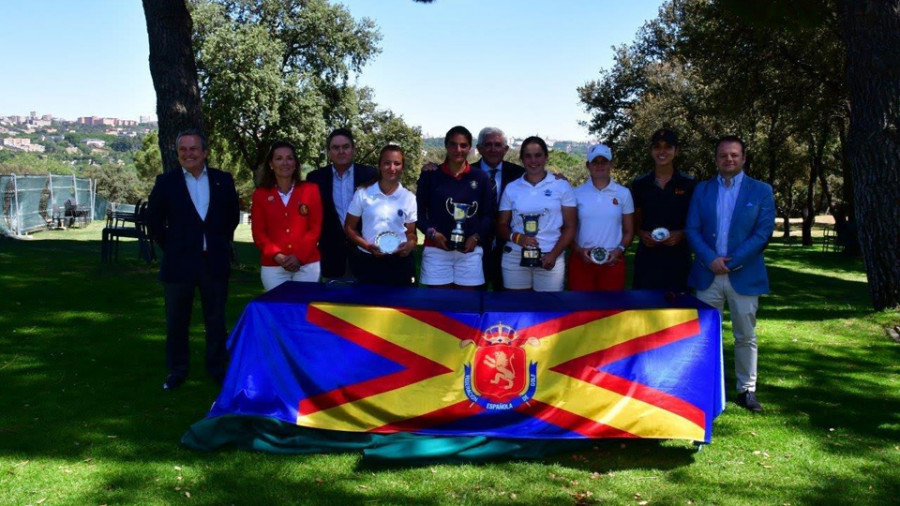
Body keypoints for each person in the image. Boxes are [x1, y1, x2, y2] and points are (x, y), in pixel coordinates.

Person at [685, 135, 775, 412]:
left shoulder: (761, 191)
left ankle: (746, 390)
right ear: (716, 159)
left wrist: (731, 262)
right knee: (706, 334)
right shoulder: (702, 189)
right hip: (707, 273)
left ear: (744, 158)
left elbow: (762, 234)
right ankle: (705, 387)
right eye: (724, 155)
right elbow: (692, 229)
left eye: (735, 155)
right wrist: (711, 259)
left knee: (745, 336)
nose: (729, 159)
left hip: (744, 275)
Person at [148, 128, 240, 390]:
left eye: (193, 149)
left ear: (205, 152)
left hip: (214, 261)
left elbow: (231, 217)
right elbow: (154, 221)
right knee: (177, 321)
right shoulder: (166, 182)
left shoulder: (223, 180)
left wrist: (219, 242)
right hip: (179, 264)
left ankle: (217, 369)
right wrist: (173, 247)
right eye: (183, 150)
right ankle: (177, 371)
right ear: (177, 154)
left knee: (216, 320)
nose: (189, 154)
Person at [416, 126, 494, 289]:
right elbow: (418, 213)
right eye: (453, 144)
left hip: (469, 252)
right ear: (446, 145)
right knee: (438, 307)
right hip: (436, 250)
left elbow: (488, 215)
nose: (458, 150)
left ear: (470, 148)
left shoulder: (480, 177)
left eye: (463, 145)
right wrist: (432, 234)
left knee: (466, 308)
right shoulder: (430, 175)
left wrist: (476, 237)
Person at [496, 136, 576, 292]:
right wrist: (518, 238)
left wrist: (554, 254)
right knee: (517, 310)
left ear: (546, 157)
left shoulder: (561, 186)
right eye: (528, 156)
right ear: (522, 159)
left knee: (548, 311)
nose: (533, 160)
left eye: (538, 155)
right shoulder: (512, 188)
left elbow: (571, 227)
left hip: (550, 257)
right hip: (515, 256)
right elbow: (501, 225)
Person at [306, 128, 377, 281]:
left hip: (366, 255)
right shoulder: (315, 179)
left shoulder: (370, 175)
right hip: (331, 255)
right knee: (333, 303)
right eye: (336, 148)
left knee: (367, 303)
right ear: (329, 151)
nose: (341, 151)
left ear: (353, 149)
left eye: (345, 147)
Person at [251, 141, 323, 291]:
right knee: (279, 311)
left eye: (289, 158)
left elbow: (315, 228)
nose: (285, 163)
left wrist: (299, 256)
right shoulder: (260, 194)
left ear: (295, 163)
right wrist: (278, 256)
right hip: (274, 266)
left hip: (307, 264)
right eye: (279, 158)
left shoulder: (311, 190)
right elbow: (259, 233)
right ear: (271, 164)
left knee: (302, 311)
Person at [630, 128, 696, 292]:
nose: (662, 151)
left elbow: (696, 220)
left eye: (667, 147)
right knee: (645, 311)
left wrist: (682, 233)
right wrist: (641, 233)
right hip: (648, 258)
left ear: (676, 151)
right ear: (651, 151)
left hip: (678, 258)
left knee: (679, 313)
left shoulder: (689, 184)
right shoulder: (640, 184)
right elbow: (635, 220)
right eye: (657, 147)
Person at [344, 145, 418, 286]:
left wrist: (410, 244)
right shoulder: (362, 193)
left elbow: (411, 232)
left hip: (399, 264)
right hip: (368, 261)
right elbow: (349, 228)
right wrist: (367, 246)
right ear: (379, 165)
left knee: (400, 307)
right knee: (368, 307)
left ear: (402, 166)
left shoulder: (409, 197)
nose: (392, 168)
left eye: (397, 163)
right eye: (387, 163)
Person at [569, 143, 634, 291]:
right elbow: (567, 229)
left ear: (611, 163)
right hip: (582, 261)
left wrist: (620, 250)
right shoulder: (575, 193)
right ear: (588, 165)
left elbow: (629, 230)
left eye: (603, 161)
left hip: (613, 260)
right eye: (595, 162)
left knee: (611, 310)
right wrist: (579, 251)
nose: (599, 165)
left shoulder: (623, 193)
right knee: (581, 310)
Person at [471, 127, 526, 290]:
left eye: (498, 145)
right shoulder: (468, 173)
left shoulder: (520, 174)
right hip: (474, 247)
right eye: (488, 145)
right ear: (479, 149)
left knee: (507, 302)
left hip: (509, 248)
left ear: (506, 149)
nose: (493, 149)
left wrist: (559, 179)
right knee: (473, 301)